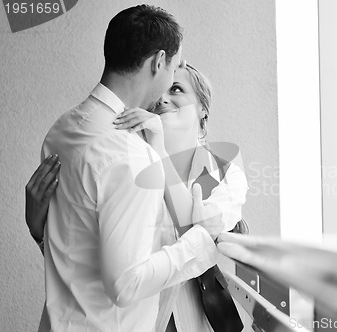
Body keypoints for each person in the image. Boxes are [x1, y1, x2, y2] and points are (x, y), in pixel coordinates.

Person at [30, 5, 226, 332]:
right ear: (158, 62)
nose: (167, 90)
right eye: (174, 69)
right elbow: (124, 283)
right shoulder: (131, 156)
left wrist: (40, 230)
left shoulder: (60, 131)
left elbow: (78, 246)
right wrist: (202, 242)